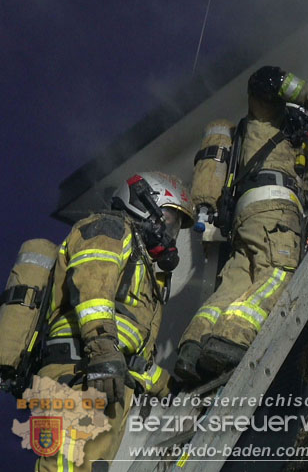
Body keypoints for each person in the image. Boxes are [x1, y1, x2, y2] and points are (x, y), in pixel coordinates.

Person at [176, 66, 308, 382]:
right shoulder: (265, 120)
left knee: (234, 285)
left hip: (247, 219)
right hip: (274, 212)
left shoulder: (262, 148)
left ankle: (193, 349)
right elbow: (266, 79)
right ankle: (231, 339)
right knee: (280, 273)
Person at [36, 171, 193, 472]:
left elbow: (134, 355)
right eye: (170, 220)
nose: (170, 233)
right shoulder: (109, 228)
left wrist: (168, 388)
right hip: (81, 369)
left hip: (107, 375)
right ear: (145, 204)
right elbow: (93, 289)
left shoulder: (144, 270)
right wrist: (103, 349)